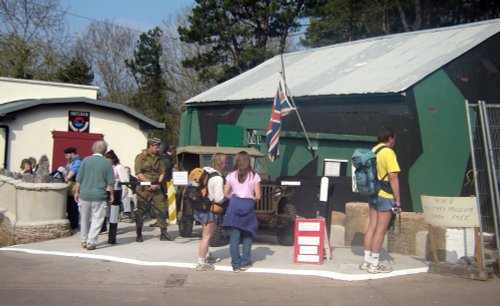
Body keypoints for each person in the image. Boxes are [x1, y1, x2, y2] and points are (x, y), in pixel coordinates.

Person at [360, 126, 401, 274]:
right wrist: (398, 200)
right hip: (385, 194)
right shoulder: (388, 152)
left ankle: (366, 261)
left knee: (372, 227)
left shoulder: (374, 150)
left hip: (373, 192)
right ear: (390, 138)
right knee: (381, 231)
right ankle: (375, 265)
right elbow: (393, 177)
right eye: (394, 138)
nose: (394, 141)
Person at [222, 151, 261, 272]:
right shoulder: (254, 176)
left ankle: (235, 264)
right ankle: (245, 261)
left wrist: (233, 197)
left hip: (234, 204)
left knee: (235, 235)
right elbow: (258, 196)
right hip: (248, 205)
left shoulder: (231, 175)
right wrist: (252, 199)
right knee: (248, 234)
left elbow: (225, 193)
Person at [73, 140, 115, 251]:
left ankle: (83, 240)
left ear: (93, 149)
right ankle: (91, 241)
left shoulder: (85, 160)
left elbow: (79, 179)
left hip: (85, 194)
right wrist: (111, 194)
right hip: (99, 195)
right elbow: (110, 182)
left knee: (84, 218)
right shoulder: (107, 163)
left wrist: (77, 192)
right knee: (98, 218)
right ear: (105, 151)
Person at [134, 137, 173, 242]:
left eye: (158, 147)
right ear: (150, 146)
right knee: (141, 211)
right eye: (156, 147)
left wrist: (158, 183)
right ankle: (139, 233)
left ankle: (163, 232)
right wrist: (149, 183)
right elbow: (138, 173)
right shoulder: (141, 157)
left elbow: (162, 172)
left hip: (157, 187)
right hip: (144, 188)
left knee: (161, 209)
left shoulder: (160, 158)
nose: (158, 149)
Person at [194, 153, 227, 271]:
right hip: (210, 210)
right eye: (224, 162)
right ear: (219, 163)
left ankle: (207, 256)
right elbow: (219, 198)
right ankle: (201, 261)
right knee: (206, 236)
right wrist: (227, 196)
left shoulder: (205, 171)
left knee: (206, 234)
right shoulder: (217, 178)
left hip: (200, 207)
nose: (226, 164)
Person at [104, 150, 130, 244]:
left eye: (109, 158)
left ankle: (112, 231)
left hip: (116, 190)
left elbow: (124, 180)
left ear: (113, 159)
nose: (107, 160)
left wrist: (125, 192)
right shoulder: (107, 167)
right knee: (104, 209)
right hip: (106, 190)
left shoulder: (119, 167)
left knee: (114, 211)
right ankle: (104, 228)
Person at [63, 147, 83, 230]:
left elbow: (74, 170)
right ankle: (72, 222)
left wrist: (67, 179)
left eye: (67, 155)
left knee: (73, 204)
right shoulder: (70, 161)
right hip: (71, 184)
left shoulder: (77, 160)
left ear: (72, 154)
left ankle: (74, 224)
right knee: (71, 204)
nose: (65, 156)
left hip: (75, 184)